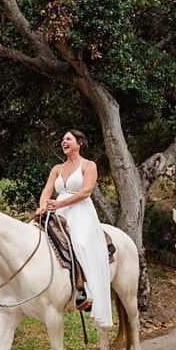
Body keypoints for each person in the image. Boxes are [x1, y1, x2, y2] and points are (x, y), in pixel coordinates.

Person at [35, 130, 112, 328]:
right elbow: (47, 191)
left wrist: (60, 204)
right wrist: (43, 206)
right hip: (56, 209)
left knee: (79, 242)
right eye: (62, 140)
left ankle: (85, 289)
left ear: (79, 143)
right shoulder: (57, 168)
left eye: (68, 139)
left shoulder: (89, 165)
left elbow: (86, 191)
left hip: (80, 210)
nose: (64, 142)